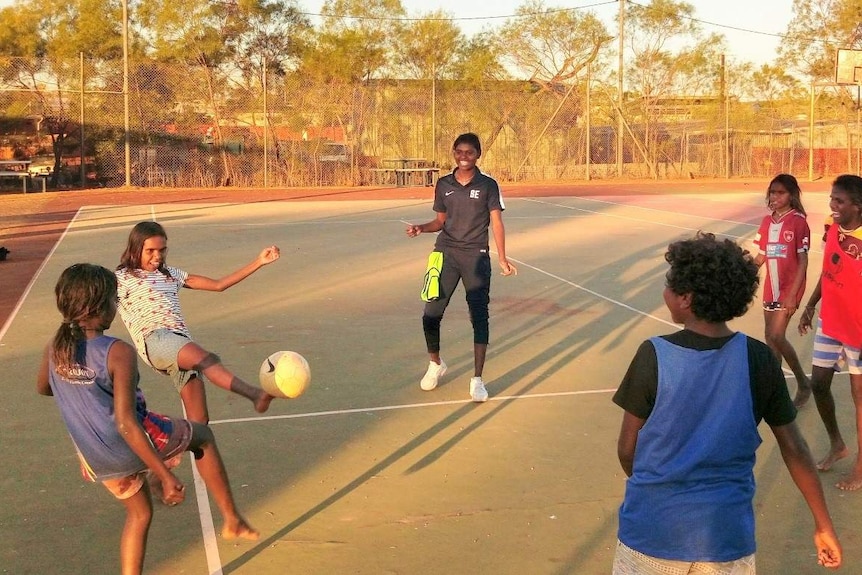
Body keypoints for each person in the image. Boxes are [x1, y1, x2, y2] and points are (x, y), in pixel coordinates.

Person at [613, 232, 841, 573]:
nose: (665, 292)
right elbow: (795, 448)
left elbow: (628, 449)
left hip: (652, 532)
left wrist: (658, 488)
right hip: (725, 539)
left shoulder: (654, 355)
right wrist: (823, 524)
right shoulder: (759, 359)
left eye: (669, 285)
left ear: (685, 298)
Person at [36, 264, 258, 575]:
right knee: (202, 437)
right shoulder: (117, 351)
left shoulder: (55, 349)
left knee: (139, 514)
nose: (117, 305)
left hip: (94, 459)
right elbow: (127, 423)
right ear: (100, 306)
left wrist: (79, 389)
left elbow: (45, 387)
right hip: (126, 443)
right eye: (115, 299)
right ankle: (232, 519)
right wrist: (164, 475)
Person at [116, 221, 280, 424]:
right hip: (156, 340)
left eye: (162, 250)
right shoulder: (121, 279)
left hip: (180, 343)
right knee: (207, 359)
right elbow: (93, 300)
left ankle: (169, 446)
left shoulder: (171, 275)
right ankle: (255, 395)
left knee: (200, 423)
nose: (157, 256)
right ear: (135, 248)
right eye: (150, 250)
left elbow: (218, 285)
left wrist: (259, 262)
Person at [405, 132, 517, 402]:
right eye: (459, 152)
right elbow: (440, 221)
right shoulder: (444, 184)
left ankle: (477, 380)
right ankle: (435, 364)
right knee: (431, 312)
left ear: (478, 155)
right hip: (445, 254)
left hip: (476, 257)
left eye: (469, 152)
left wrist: (502, 257)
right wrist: (421, 228)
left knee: (478, 317)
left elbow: (497, 223)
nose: (463, 157)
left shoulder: (488, 185)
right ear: (453, 153)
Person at [798, 174, 862, 488]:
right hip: (830, 321)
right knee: (819, 383)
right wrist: (810, 305)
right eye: (831, 199)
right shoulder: (831, 226)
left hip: (858, 328)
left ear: (858, 206)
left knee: (859, 397)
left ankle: (861, 467)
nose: (832, 206)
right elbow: (829, 269)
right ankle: (838, 444)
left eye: (839, 201)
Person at [752, 174, 811, 407]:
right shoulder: (767, 222)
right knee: (770, 339)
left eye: (781, 193)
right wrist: (744, 272)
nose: (775, 197)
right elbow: (761, 255)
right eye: (773, 192)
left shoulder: (798, 222)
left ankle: (803, 383)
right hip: (771, 289)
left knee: (777, 335)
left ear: (792, 195)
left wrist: (792, 295)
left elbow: (803, 261)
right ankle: (774, 390)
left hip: (789, 289)